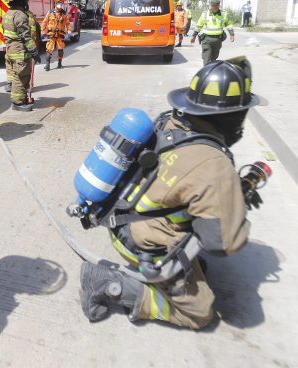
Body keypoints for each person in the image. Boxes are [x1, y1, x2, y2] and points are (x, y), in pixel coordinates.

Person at [79, 56, 262, 330]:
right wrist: (237, 203)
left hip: (118, 217)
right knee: (200, 313)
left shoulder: (169, 122)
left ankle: (177, 266)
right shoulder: (214, 165)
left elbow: (181, 180)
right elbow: (224, 244)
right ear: (233, 116)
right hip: (142, 243)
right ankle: (110, 283)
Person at [3, 0, 40, 111]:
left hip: (10, 49)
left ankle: (20, 99)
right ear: (23, 2)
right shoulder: (21, 15)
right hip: (19, 50)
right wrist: (34, 51)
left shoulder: (8, 14)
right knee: (22, 76)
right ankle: (18, 103)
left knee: (15, 75)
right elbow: (25, 36)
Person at [190, 0, 234, 65]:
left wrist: (231, 34)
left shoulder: (223, 14)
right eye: (213, 5)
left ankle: (211, 70)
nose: (215, 7)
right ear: (210, 5)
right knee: (207, 58)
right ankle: (206, 71)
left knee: (214, 58)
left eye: (217, 5)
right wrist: (194, 36)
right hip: (207, 39)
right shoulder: (205, 14)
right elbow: (199, 25)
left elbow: (228, 24)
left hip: (218, 40)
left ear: (219, 5)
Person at [42, 0, 69, 70]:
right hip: (51, 34)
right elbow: (45, 22)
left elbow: (67, 23)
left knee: (60, 49)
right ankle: (47, 65)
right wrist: (42, 31)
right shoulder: (50, 13)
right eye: (58, 3)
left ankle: (59, 64)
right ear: (55, 3)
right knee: (49, 49)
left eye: (61, 3)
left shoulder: (63, 14)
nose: (59, 5)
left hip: (60, 34)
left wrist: (69, 30)